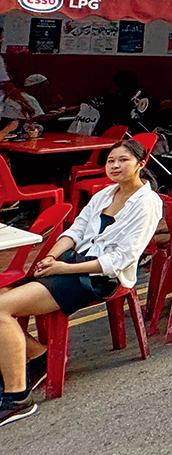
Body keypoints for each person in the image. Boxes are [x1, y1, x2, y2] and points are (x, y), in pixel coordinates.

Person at [0, 138, 162, 427]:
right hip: (71, 263)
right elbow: (75, 230)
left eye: (123, 160)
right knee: (4, 296)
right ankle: (39, 359)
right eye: (111, 160)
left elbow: (121, 259)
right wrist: (50, 258)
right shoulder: (105, 194)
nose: (115, 166)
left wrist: (62, 269)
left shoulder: (148, 204)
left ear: (141, 164)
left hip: (98, 278)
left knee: (1, 310)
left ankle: (18, 398)